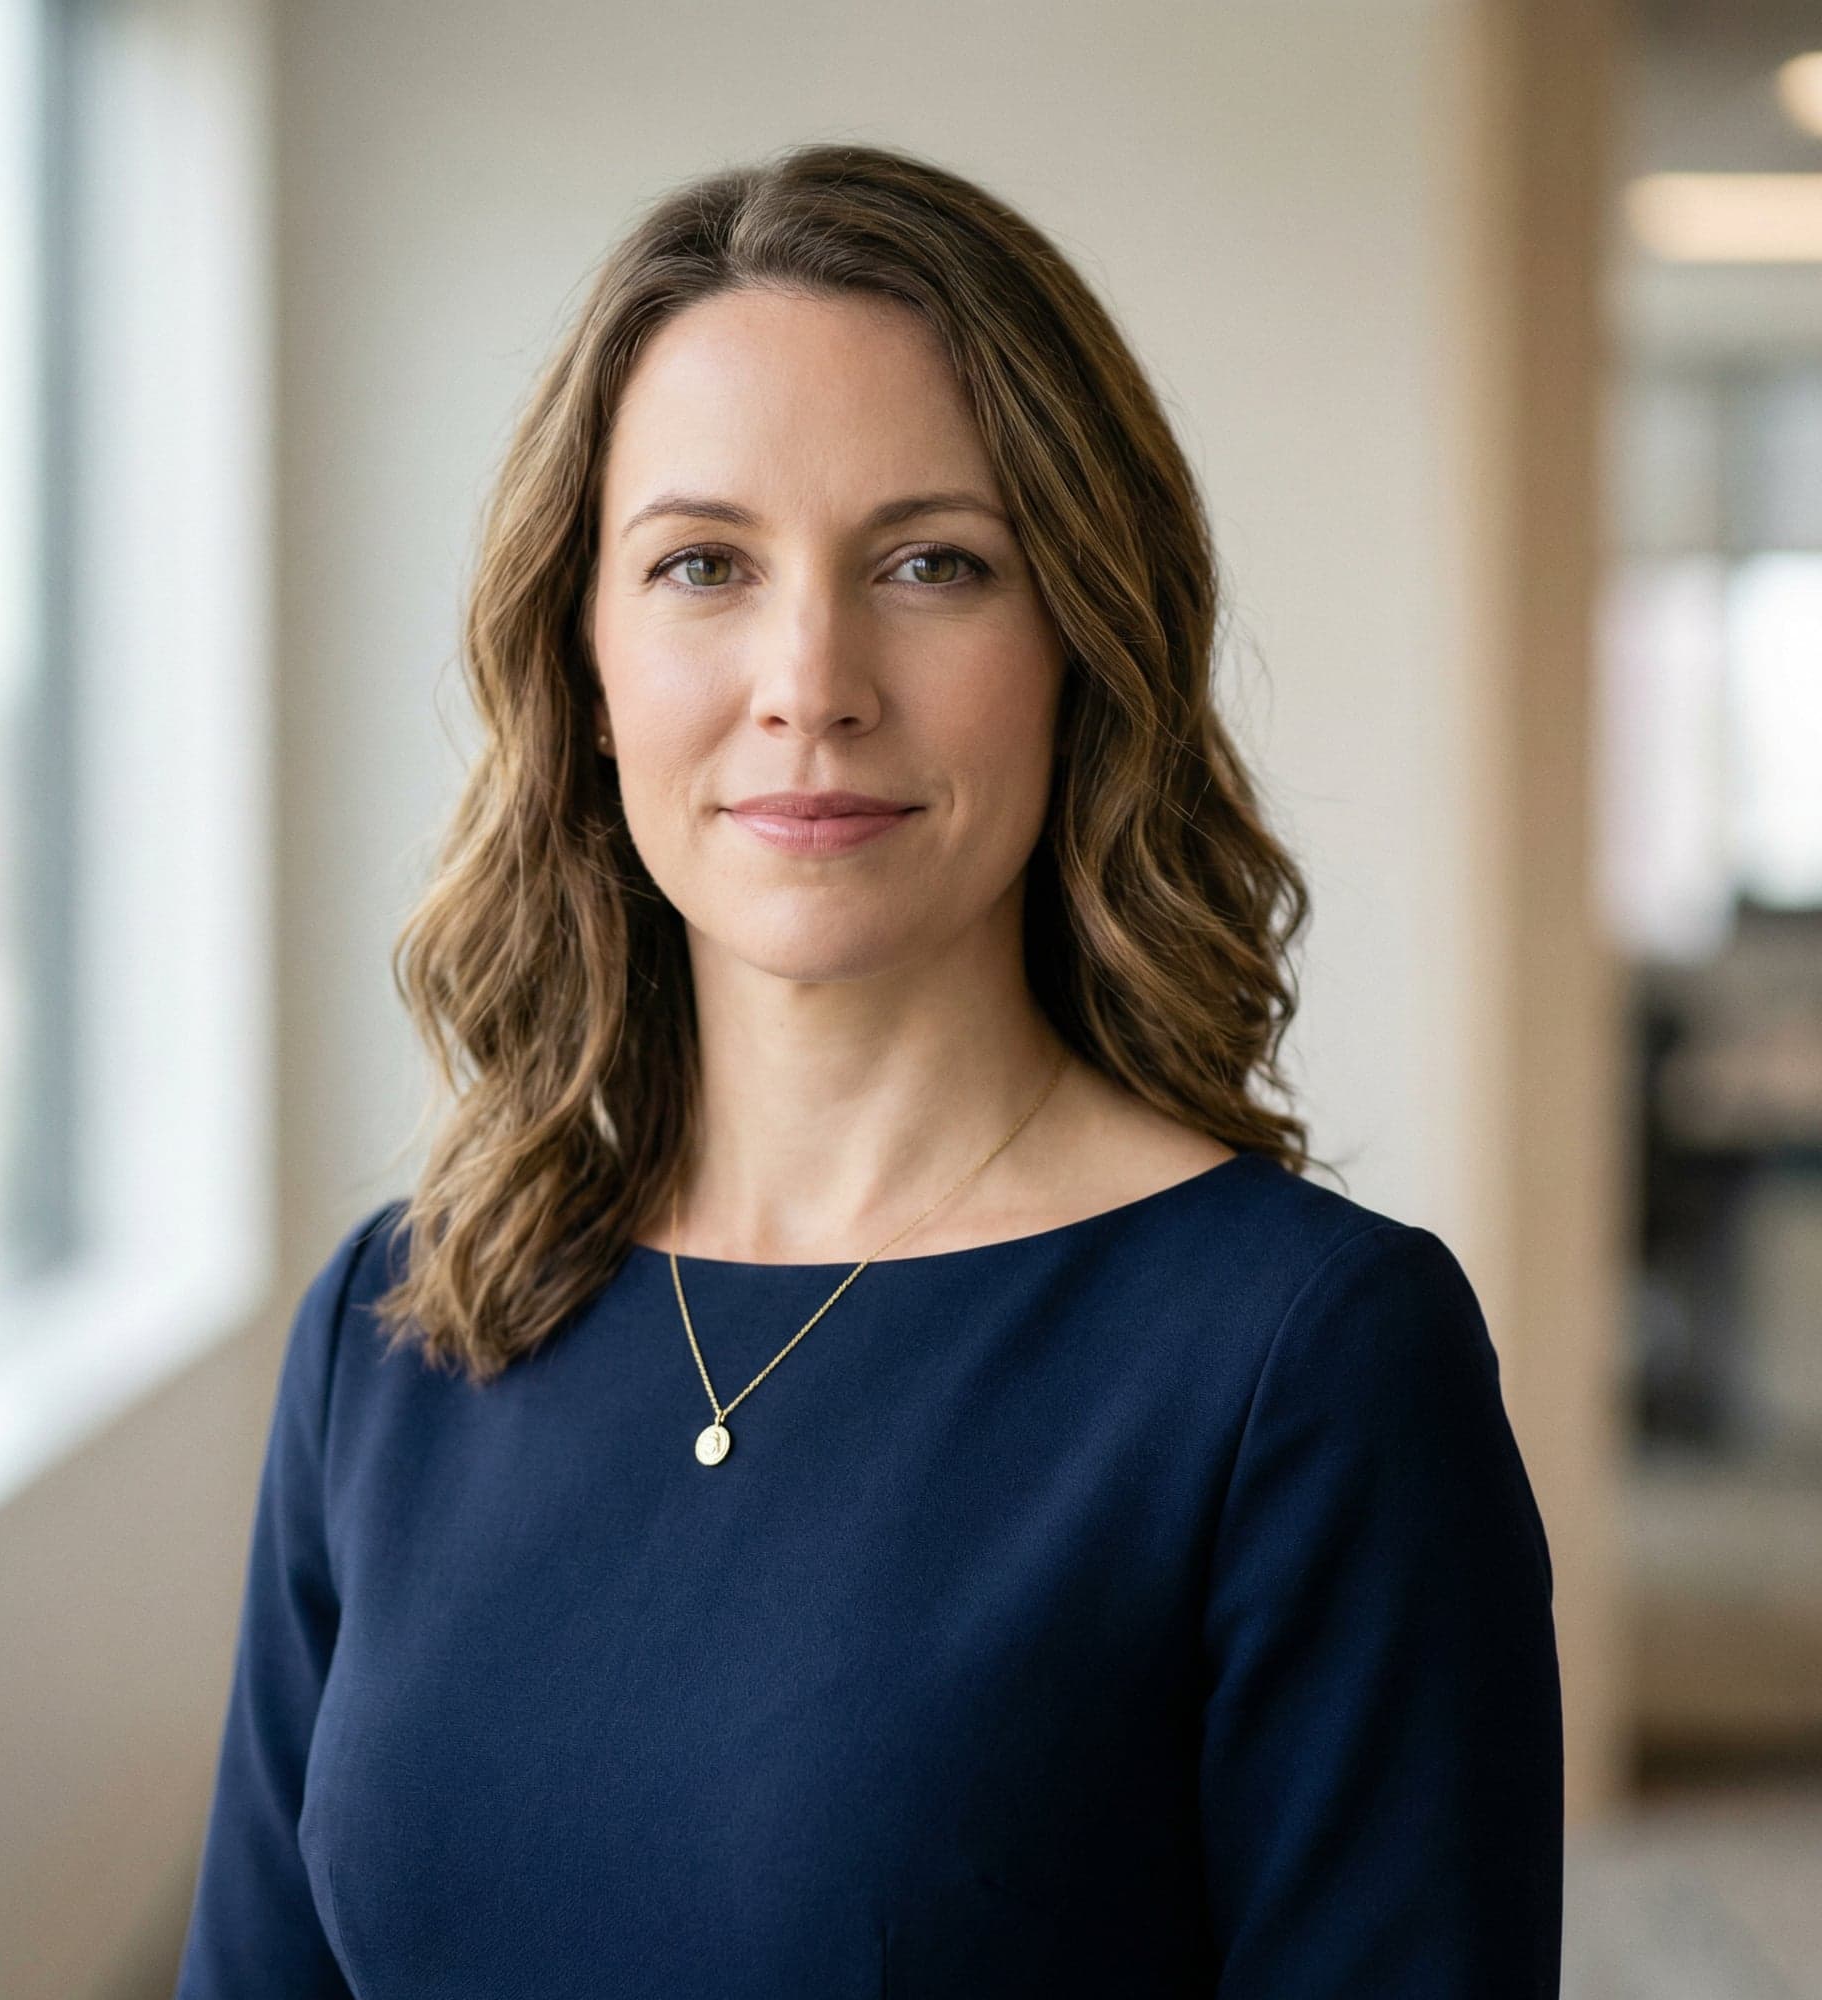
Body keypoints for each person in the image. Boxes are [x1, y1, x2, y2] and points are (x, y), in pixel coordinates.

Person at [174, 139, 1562, 1998]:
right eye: (702, 565)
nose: (811, 680)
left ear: (1083, 640)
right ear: (585, 662)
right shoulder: (397, 1329)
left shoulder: (1307, 1370)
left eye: (931, 563)